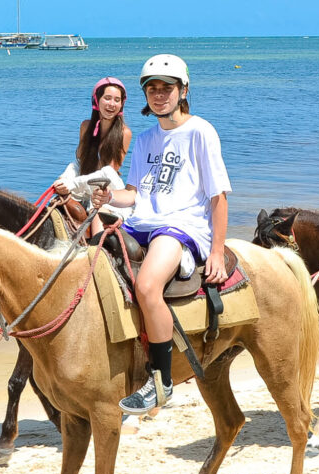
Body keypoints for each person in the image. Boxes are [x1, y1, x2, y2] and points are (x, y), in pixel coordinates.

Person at [91, 54, 232, 415]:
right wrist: (109, 197)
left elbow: (218, 196)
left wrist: (216, 252)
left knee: (148, 286)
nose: (158, 95)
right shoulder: (145, 139)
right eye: (152, 89)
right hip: (144, 220)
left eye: (166, 88)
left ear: (183, 90)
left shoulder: (201, 131)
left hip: (183, 226)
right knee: (91, 255)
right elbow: (135, 194)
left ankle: (160, 382)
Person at [53, 77, 133, 236]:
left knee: (98, 212)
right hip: (83, 183)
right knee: (54, 202)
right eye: (107, 98)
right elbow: (79, 162)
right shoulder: (85, 126)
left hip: (105, 188)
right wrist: (65, 179)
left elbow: (108, 173)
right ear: (97, 100)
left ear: (121, 104)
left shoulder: (124, 133)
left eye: (117, 100)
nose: (112, 104)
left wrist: (73, 184)